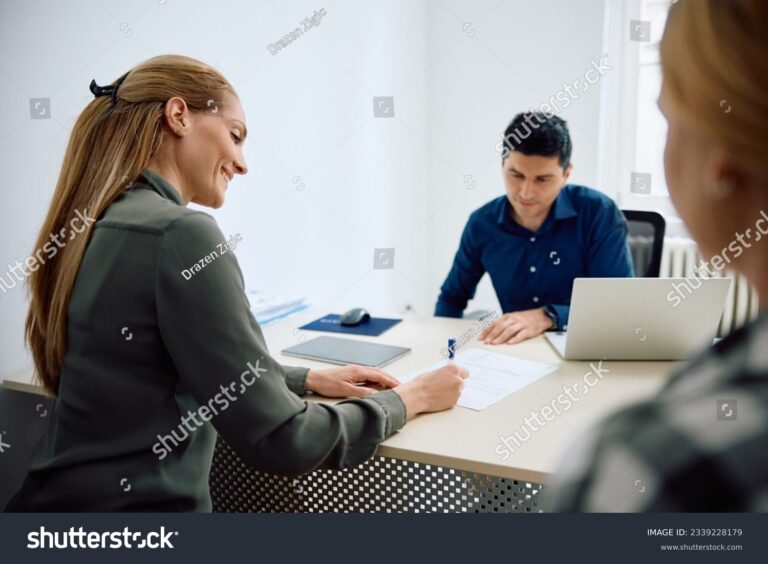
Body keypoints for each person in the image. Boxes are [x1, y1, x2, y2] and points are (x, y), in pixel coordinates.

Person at [4, 54, 468, 512]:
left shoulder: (93, 224)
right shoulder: (182, 233)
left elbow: (150, 369)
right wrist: (411, 397)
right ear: (179, 115)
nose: (242, 164)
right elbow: (285, 439)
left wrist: (303, 379)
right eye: (236, 136)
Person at [545, 0, 768, 511]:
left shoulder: (644, 467)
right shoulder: (485, 220)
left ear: (721, 155)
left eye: (668, 118)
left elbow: (617, 304)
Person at [434, 112, 634, 345]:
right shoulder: (482, 224)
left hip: (588, 348)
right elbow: (452, 298)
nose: (526, 192)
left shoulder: (599, 213)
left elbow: (616, 307)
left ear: (566, 174)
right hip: (516, 354)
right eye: (516, 175)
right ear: (502, 166)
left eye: (542, 179)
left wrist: (548, 316)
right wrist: (443, 354)